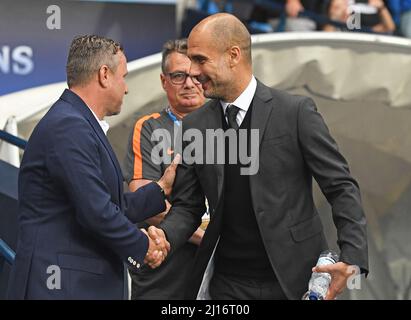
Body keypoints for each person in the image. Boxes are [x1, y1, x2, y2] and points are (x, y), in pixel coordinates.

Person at [151, 13, 369, 300]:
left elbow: (341, 187)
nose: (193, 72)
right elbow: (188, 207)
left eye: (200, 60)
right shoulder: (195, 125)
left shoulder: (295, 112)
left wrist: (351, 258)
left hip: (296, 279)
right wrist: (164, 237)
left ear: (233, 55)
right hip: (227, 285)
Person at [7, 35, 175, 300]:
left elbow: (107, 205)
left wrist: (161, 188)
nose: (127, 88)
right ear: (104, 75)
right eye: (124, 76)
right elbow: (97, 212)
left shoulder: (76, 122)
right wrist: (144, 247)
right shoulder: (69, 126)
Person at [123, 39, 206, 299]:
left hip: (221, 269)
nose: (190, 83)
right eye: (179, 75)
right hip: (166, 269)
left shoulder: (230, 128)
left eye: (196, 76)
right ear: (163, 81)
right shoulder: (148, 128)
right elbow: (147, 203)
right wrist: (205, 237)